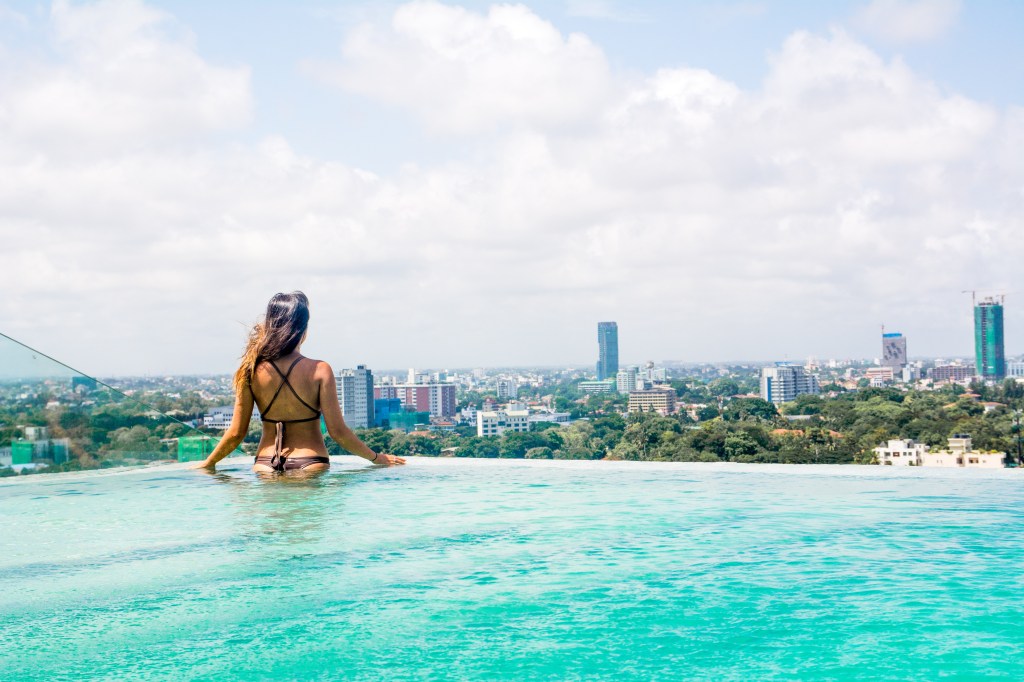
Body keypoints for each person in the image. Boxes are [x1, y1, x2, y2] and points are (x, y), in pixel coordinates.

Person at [195, 291, 404, 472]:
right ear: (302, 329)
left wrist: (209, 463)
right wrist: (377, 458)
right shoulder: (320, 370)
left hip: (265, 463)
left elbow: (236, 433)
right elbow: (338, 432)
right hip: (311, 461)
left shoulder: (250, 369)